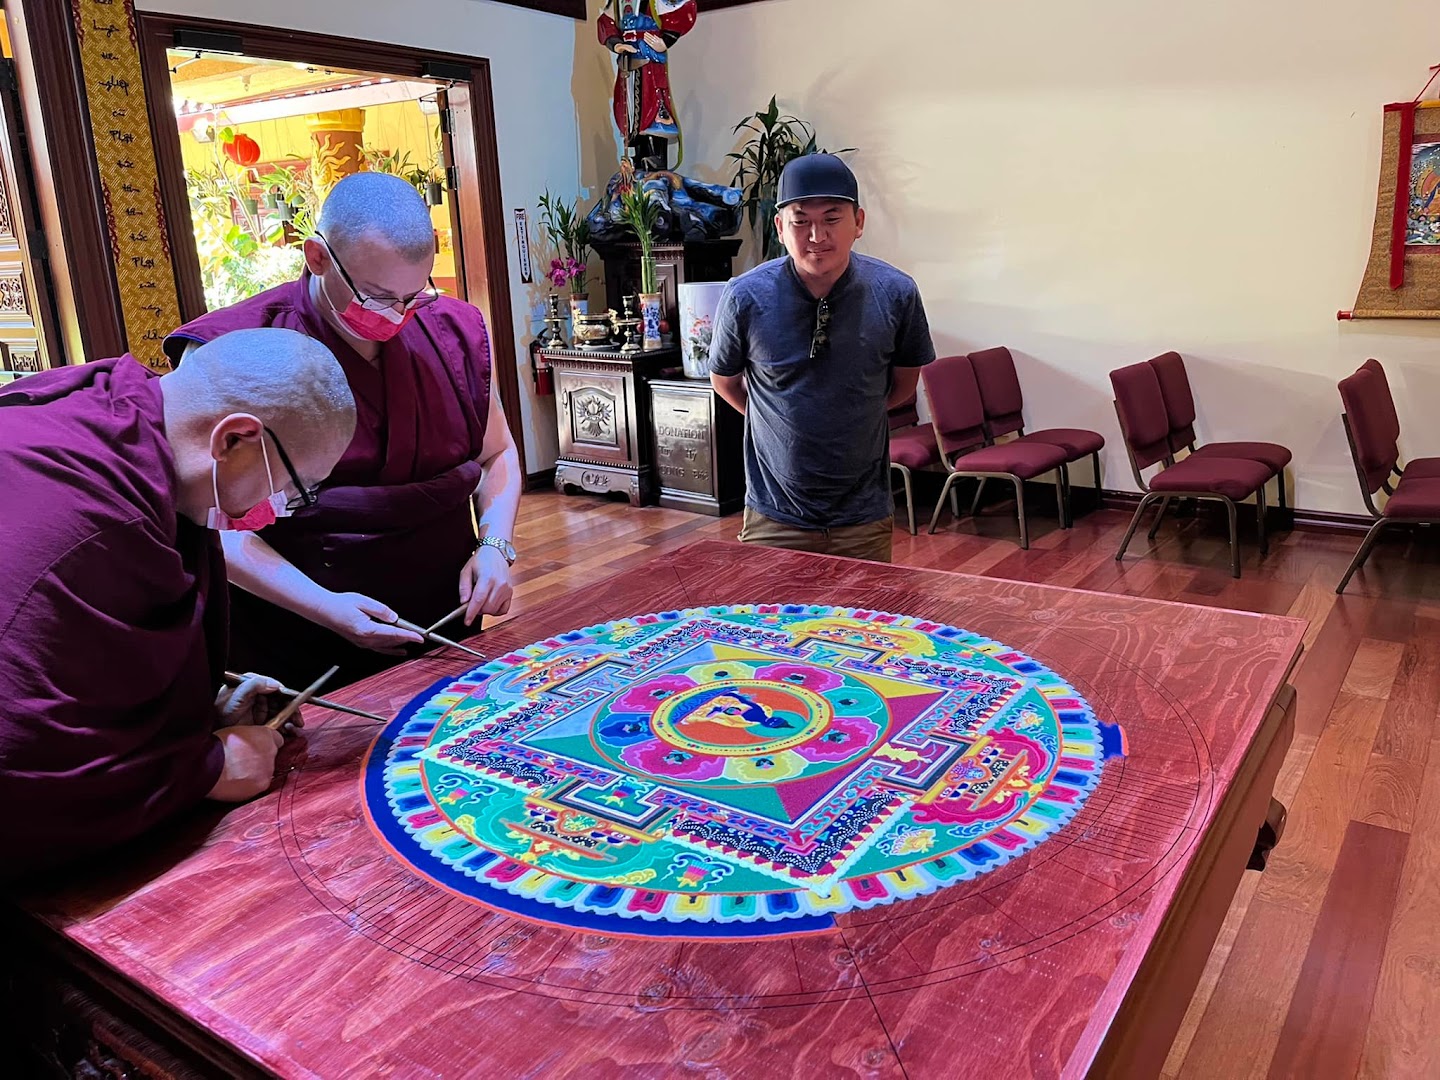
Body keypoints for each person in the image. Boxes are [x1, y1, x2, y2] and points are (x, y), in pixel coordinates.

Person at [0, 329, 357, 878]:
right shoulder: (86, 522)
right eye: (292, 488)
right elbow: (18, 782)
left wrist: (194, 708)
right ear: (233, 439)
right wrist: (205, 769)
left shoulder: (124, 412)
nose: (279, 510)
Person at [163, 172, 523, 688]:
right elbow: (212, 524)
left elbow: (498, 452)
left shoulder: (455, 329)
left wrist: (495, 547)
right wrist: (327, 609)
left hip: (448, 614)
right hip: (295, 629)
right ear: (317, 256)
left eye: (414, 295)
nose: (398, 316)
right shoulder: (238, 348)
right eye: (377, 297)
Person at [708, 153, 936, 564]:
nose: (817, 235)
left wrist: (848, 409)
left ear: (859, 223)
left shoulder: (897, 293)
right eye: (801, 221)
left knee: (865, 626)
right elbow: (725, 382)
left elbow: (902, 388)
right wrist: (777, 414)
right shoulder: (745, 297)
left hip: (863, 517)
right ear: (780, 227)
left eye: (832, 219)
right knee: (773, 626)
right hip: (773, 517)